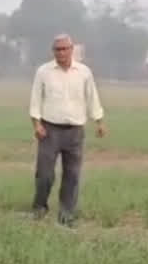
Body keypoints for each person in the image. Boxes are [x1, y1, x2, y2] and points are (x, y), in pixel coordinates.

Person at [28, 33, 107, 228]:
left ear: (72, 50)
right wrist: (36, 124)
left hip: (75, 131)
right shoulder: (44, 72)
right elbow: (36, 99)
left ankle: (66, 215)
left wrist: (99, 121)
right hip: (49, 130)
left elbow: (92, 97)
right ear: (53, 51)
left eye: (65, 48)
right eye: (57, 49)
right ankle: (39, 208)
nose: (61, 52)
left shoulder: (84, 72)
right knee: (45, 174)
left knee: (72, 175)